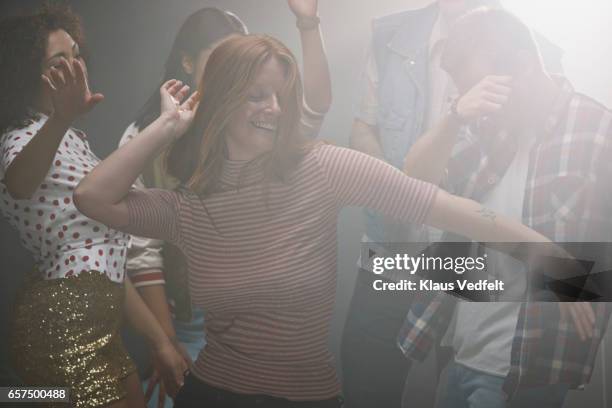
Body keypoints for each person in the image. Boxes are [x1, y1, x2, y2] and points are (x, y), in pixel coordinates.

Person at [73, 33, 566, 407]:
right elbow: (91, 197)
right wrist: (167, 126)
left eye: (282, 95)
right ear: (219, 100)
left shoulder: (324, 168)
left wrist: (569, 269)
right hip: (212, 392)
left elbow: (441, 205)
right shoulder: (188, 206)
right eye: (256, 95)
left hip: (305, 397)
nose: (275, 108)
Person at [341, 1, 565, 406]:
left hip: (472, 255)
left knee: (466, 378)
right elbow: (364, 128)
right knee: (366, 383)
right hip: (393, 247)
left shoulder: (537, 48)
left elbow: (554, 182)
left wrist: (573, 281)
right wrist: (404, 195)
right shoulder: (389, 35)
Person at [118, 2, 331, 406]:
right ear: (186, 60)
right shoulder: (149, 133)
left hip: (266, 316)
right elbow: (140, 250)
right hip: (190, 318)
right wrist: (166, 340)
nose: (230, 68)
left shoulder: (258, 119)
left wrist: (308, 23)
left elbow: (315, 109)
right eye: (219, 57)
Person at [398, 8, 612, 407]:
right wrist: (455, 114)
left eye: (487, 89)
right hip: (460, 350)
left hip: (528, 365)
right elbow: (414, 180)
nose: (483, 105)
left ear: (525, 67)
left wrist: (586, 285)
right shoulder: (482, 125)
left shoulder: (597, 129)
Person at [0, 5, 186, 407]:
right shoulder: (21, 137)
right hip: (60, 327)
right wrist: (59, 119)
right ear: (28, 72)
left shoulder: (75, 142)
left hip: (100, 324)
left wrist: (160, 343)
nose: (75, 66)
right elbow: (18, 183)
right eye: (58, 61)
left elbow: (106, 261)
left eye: (76, 54)